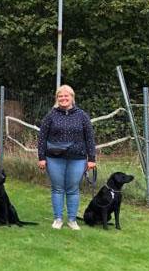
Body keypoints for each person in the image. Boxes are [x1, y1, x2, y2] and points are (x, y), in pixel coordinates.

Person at [38, 84, 96, 231]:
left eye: (66, 96)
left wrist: (92, 159)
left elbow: (89, 137)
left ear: (72, 97)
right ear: (57, 98)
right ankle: (58, 218)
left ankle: (72, 220)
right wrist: (41, 157)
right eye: (60, 96)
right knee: (57, 188)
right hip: (54, 158)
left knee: (73, 189)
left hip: (77, 158)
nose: (63, 98)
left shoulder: (82, 115)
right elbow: (42, 137)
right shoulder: (51, 115)